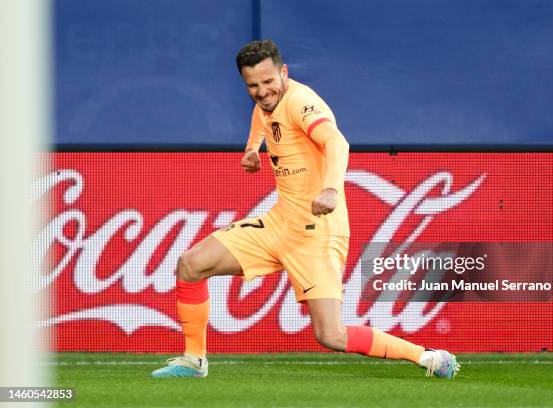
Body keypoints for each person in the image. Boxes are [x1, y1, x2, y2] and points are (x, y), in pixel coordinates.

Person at [152, 39, 460, 379]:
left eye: (269, 81)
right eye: (252, 85)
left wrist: (330, 189)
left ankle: (427, 357)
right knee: (191, 264)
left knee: (331, 335)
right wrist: (252, 149)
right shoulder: (266, 104)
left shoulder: (301, 101)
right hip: (279, 223)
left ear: (284, 72)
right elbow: (262, 117)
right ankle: (194, 361)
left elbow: (336, 142)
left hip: (317, 231)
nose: (262, 90)